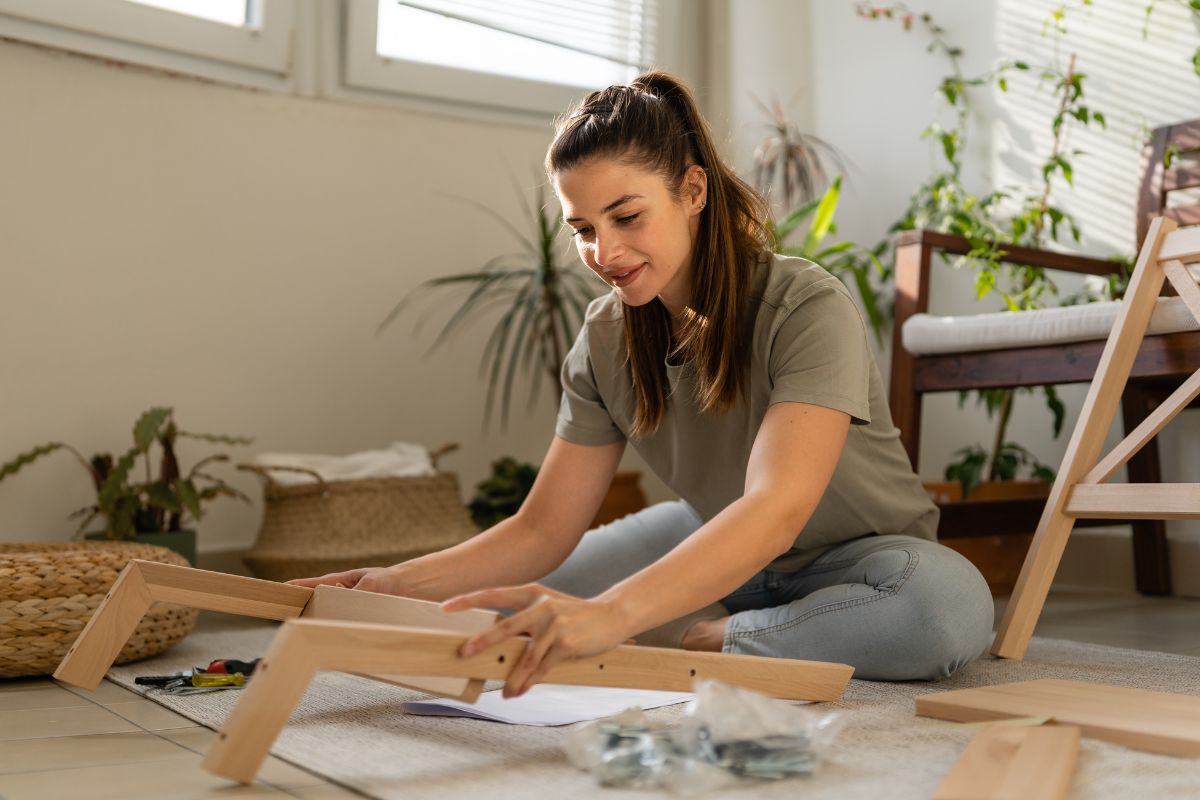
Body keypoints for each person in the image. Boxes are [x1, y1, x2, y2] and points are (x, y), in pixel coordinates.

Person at [291, 70, 994, 697]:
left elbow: (777, 507)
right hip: (713, 543)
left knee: (944, 611)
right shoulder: (605, 337)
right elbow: (542, 529)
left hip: (858, 562)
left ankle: (715, 637)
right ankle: (732, 621)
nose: (605, 251)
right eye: (583, 228)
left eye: (626, 217)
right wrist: (394, 583)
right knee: (508, 609)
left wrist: (620, 613)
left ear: (692, 190)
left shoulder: (803, 304)